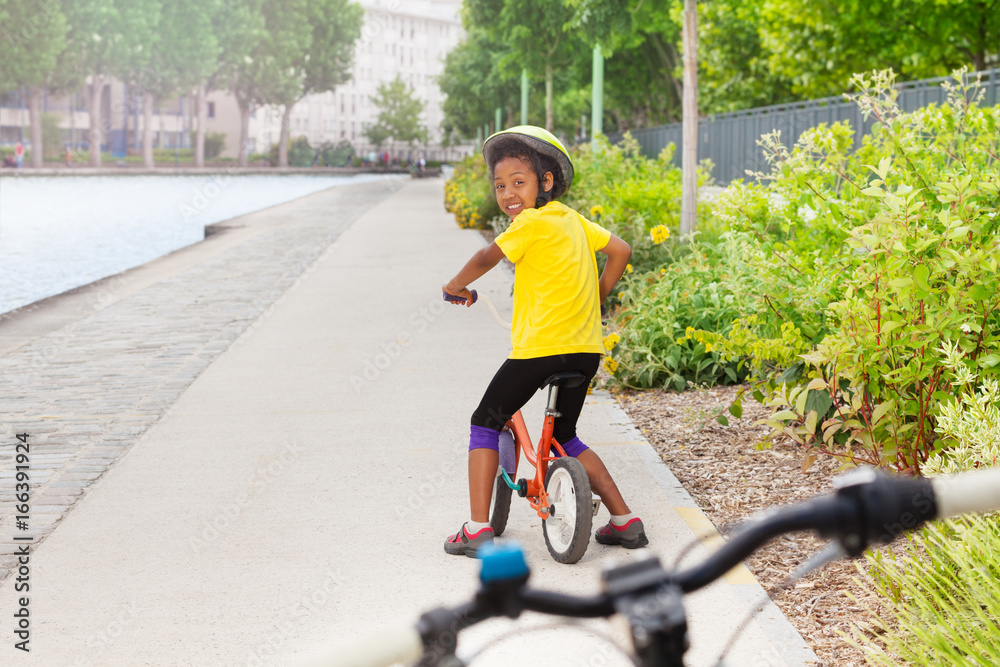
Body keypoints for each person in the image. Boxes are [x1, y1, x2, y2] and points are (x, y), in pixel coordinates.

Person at [441, 125, 648, 557]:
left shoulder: (529, 223)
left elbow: (485, 256)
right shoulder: (574, 220)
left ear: (545, 182)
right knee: (567, 436)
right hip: (585, 349)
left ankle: (477, 528)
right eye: (500, 185)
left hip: (540, 350)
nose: (508, 194)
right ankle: (625, 521)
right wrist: (596, 295)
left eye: (519, 182)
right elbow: (622, 250)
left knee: (485, 421)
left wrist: (456, 285)